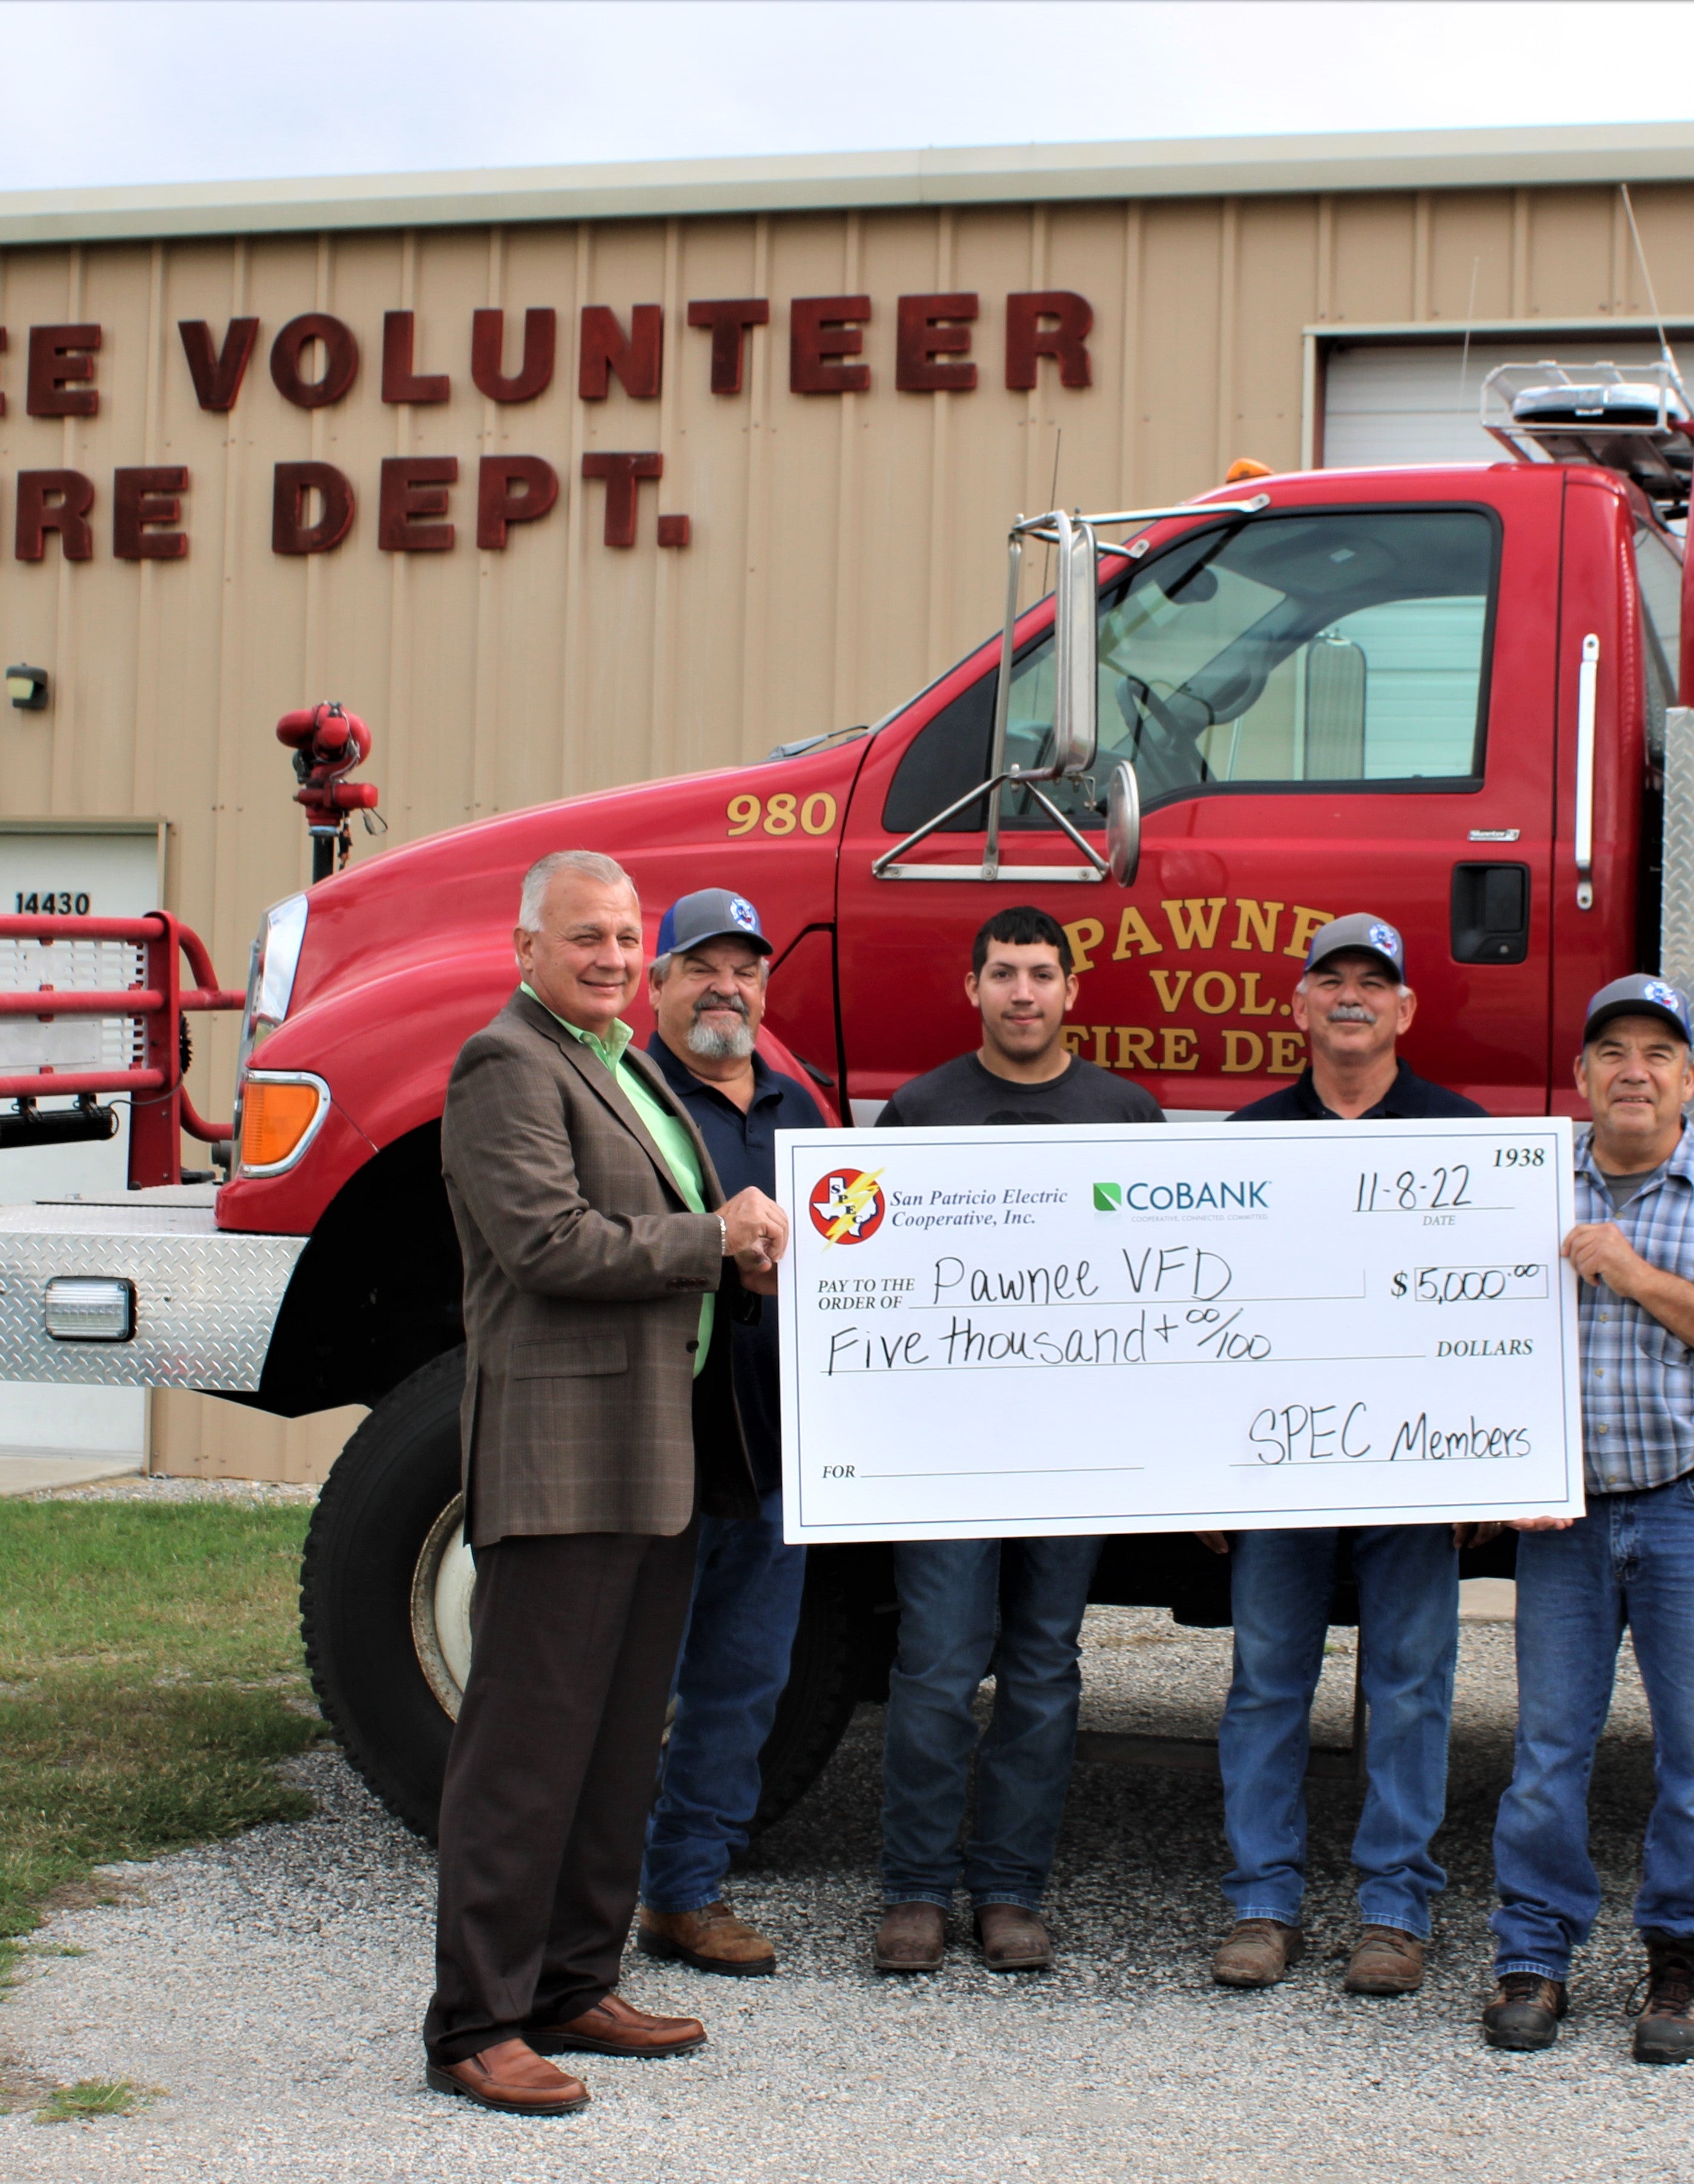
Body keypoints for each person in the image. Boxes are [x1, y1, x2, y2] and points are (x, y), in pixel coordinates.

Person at [422, 849, 790, 2117]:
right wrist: (714, 1241)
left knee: (617, 1746)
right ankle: (474, 2021)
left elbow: (659, 1225)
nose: (615, 959)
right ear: (524, 947)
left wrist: (738, 1256)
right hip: (563, 1459)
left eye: (629, 938)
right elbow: (548, 1243)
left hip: (651, 1458)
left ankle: (575, 1981)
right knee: (524, 1755)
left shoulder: (619, 1062)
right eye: (587, 937)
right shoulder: (504, 1064)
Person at [1483, 975, 1694, 2068]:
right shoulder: (1518, 1189)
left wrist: (1630, 1271)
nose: (1633, 1070)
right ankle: (1532, 1953)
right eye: (1611, 1050)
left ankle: (1684, 1959)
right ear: (1579, 1076)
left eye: (1656, 1053)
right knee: (1546, 1751)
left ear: (1688, 1077)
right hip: (1563, 1520)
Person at [867, 904, 1160, 1976]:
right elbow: (873, 1290)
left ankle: (1008, 1890)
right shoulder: (920, 1111)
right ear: (973, 989)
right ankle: (911, 1891)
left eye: (1042, 973)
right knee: (938, 1667)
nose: (1023, 992)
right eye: (1003, 973)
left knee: (1043, 1669)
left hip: (1075, 1457)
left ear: (1072, 990)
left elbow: (1159, 1286)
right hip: (947, 1454)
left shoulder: (1124, 1114)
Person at [1203, 914, 1489, 1999]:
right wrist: (1208, 1469)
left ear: (1407, 1010)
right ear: (1300, 1007)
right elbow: (1207, 1322)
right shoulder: (1247, 1144)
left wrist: (1484, 1468)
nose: (1354, 997)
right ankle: (1261, 1901)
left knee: (1411, 1686)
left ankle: (1393, 1909)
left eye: (1377, 980)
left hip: (1413, 1473)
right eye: (1333, 981)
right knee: (1266, 1683)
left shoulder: (1465, 1142)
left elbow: (1496, 1328)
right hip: (1280, 1470)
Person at [630, 888, 833, 1980]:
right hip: (660, 1448)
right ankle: (576, 1898)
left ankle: (684, 1892)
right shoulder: (628, 1099)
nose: (726, 985)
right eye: (700, 964)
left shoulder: (802, 1111)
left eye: (745, 967)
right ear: (655, 982)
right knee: (625, 1686)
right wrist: (713, 1244)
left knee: (741, 1683)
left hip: (774, 1460)